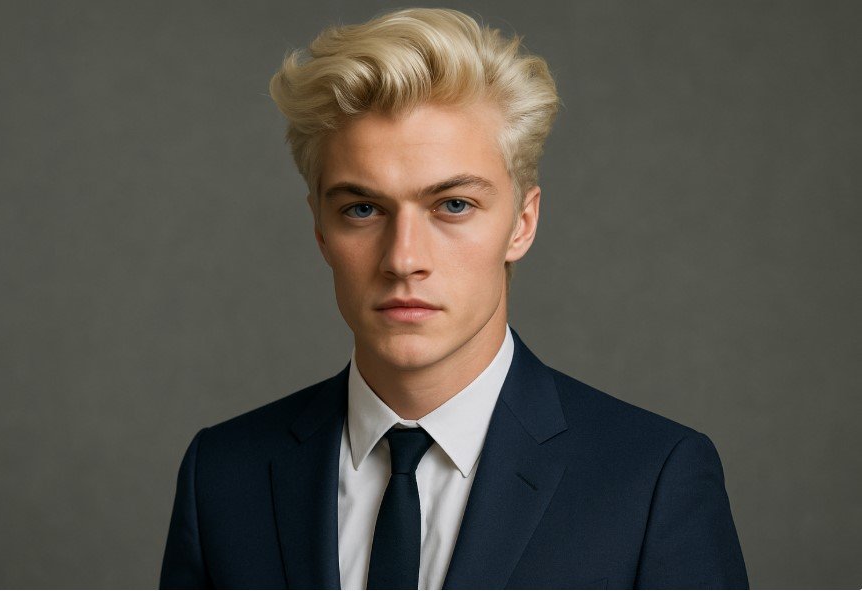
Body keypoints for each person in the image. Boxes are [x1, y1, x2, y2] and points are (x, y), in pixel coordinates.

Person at [159, 8, 748, 589]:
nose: (403, 258)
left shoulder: (652, 480)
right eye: (361, 209)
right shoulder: (222, 474)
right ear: (320, 230)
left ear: (521, 222)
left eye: (453, 205)